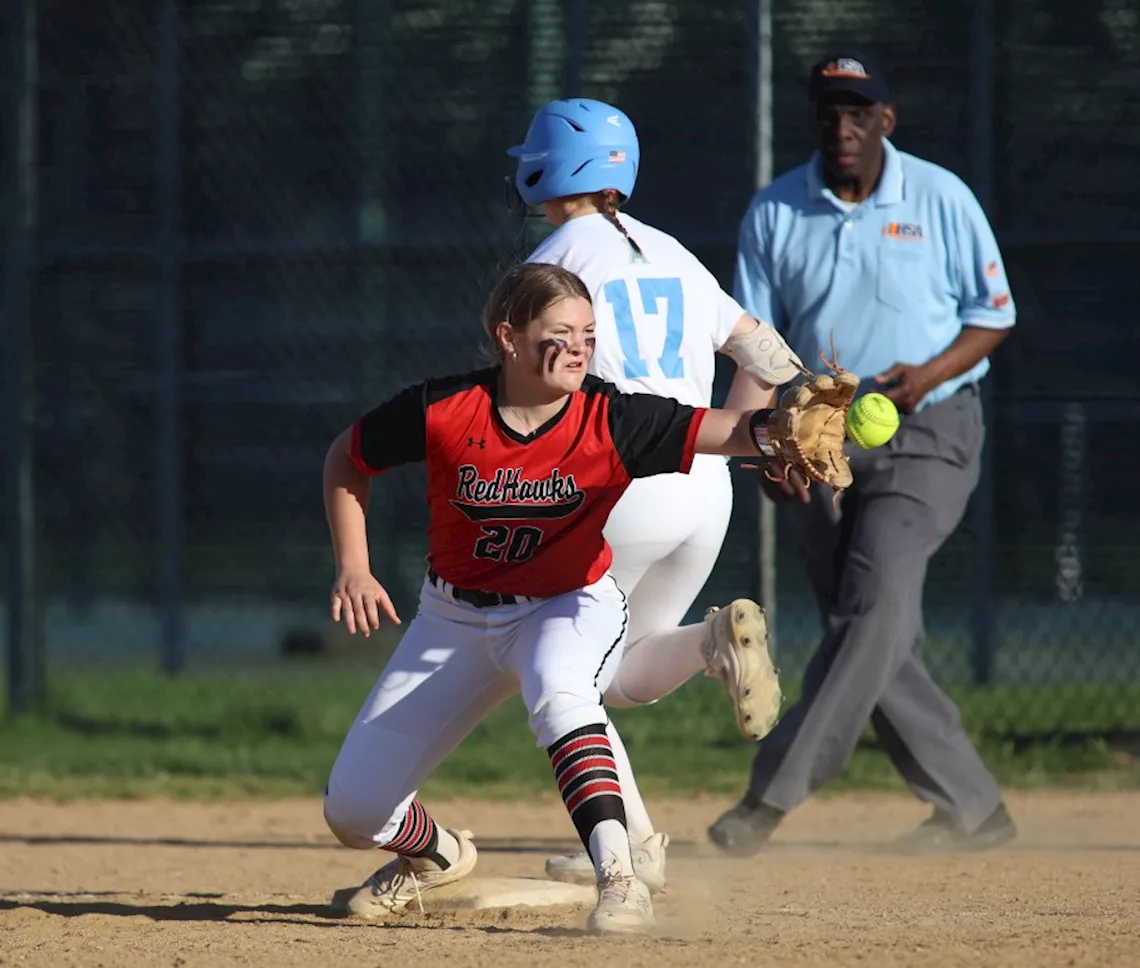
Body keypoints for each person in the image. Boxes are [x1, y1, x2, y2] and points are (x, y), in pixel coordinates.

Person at [320, 261, 841, 934]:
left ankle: (621, 881)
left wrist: (777, 432)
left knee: (559, 689)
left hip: (566, 605)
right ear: (507, 336)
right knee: (354, 811)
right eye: (559, 332)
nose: (578, 347)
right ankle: (438, 855)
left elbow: (726, 430)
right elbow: (347, 457)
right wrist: (354, 567)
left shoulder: (610, 417)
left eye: (589, 334)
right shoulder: (445, 409)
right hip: (452, 616)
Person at [706, 49, 1019, 857]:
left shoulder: (940, 196)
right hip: (818, 440)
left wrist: (925, 377)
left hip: (932, 431)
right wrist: (766, 449)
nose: (841, 127)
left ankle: (766, 804)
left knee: (871, 606)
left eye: (858, 112)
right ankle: (975, 811)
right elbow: (752, 348)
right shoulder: (776, 212)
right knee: (871, 630)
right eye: (828, 112)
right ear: (813, 121)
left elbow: (993, 316)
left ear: (886, 119)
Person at [503, 97, 803, 891]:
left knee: (560, 664)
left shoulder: (555, 263)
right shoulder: (667, 248)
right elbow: (763, 350)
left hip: (619, 481)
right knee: (620, 671)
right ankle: (712, 645)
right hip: (706, 485)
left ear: (549, 167)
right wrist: (764, 426)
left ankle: (630, 845)